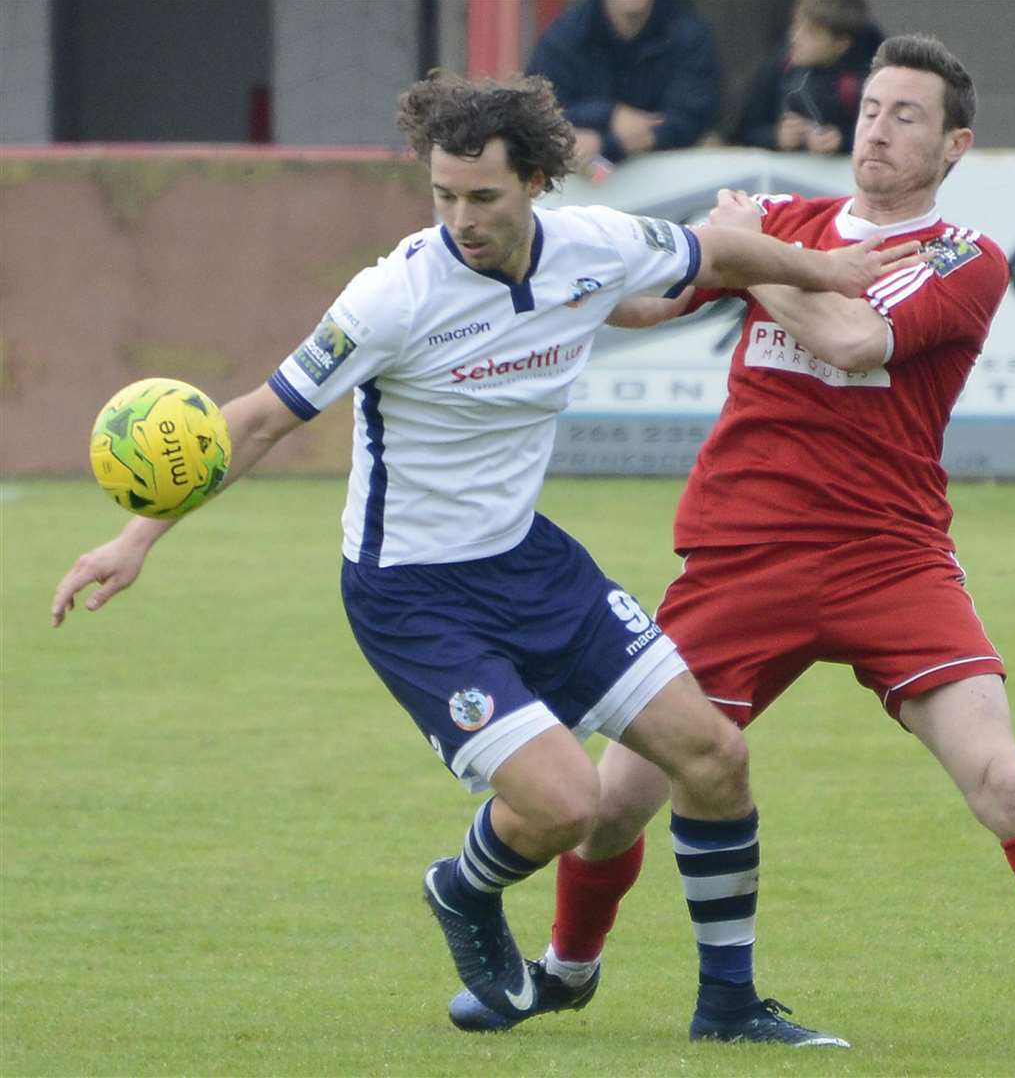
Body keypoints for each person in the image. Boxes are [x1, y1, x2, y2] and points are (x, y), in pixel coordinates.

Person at [49, 71, 927, 1048]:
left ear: (539, 182)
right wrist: (134, 538)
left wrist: (832, 274)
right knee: (565, 805)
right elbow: (252, 422)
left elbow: (709, 248)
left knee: (714, 756)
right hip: (414, 594)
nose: (461, 219)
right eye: (443, 196)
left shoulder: (596, 242)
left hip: (531, 562)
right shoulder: (392, 296)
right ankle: (462, 890)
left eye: (483, 197)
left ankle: (728, 1007)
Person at [448, 37, 1015, 1057]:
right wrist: (543, 257)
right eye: (870, 110)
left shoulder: (960, 255)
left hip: (887, 559)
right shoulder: (786, 226)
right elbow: (640, 303)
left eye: (906, 115)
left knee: (999, 780)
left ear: (953, 145)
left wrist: (746, 254)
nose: (878, 129)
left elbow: (851, 338)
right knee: (612, 805)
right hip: (741, 556)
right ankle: (565, 971)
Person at [526, 0, 720, 174]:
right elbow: (536, 113)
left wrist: (607, 144)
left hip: (670, 179)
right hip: (579, 184)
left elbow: (691, 118)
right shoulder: (564, 39)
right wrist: (609, 115)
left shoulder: (688, 36)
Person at [734, 0, 884, 156]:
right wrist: (775, 136)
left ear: (840, 44)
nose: (795, 37)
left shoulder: (872, 80)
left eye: (811, 33)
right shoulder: (779, 67)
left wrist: (842, 140)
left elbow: (888, 138)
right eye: (796, 25)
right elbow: (744, 132)